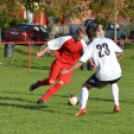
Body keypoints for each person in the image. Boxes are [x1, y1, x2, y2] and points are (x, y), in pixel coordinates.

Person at [61, 25, 123, 116]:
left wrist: (68, 70)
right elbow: (120, 52)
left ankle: (82, 108)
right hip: (117, 72)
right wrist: (112, 56)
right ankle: (116, 105)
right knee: (113, 82)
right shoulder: (108, 40)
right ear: (96, 33)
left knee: (85, 86)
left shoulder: (90, 46)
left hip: (104, 73)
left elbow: (81, 61)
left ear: (87, 35)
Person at [29, 27, 87, 104]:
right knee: (50, 81)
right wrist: (41, 53)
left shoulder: (82, 44)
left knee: (59, 84)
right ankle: (38, 84)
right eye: (80, 37)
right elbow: (51, 45)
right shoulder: (65, 39)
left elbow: (87, 54)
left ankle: (42, 99)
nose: (81, 39)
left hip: (69, 67)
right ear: (76, 34)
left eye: (82, 38)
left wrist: (92, 63)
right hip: (59, 63)